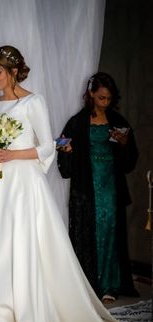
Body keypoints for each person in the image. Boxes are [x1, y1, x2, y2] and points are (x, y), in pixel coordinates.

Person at [0, 49, 148, 322]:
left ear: (13, 71)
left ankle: (27, 312)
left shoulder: (33, 101)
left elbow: (47, 148)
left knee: (24, 244)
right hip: (1, 183)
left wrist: (14, 154)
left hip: (25, 184)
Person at [57, 72, 139, 304]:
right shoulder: (77, 122)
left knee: (110, 231)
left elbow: (130, 161)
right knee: (87, 231)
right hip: (85, 188)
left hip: (111, 186)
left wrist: (123, 144)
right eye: (101, 97)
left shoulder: (118, 122)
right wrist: (67, 152)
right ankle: (87, 283)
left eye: (109, 98)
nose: (105, 102)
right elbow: (65, 158)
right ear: (91, 94)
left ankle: (109, 284)